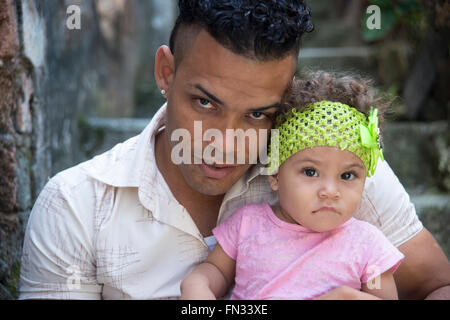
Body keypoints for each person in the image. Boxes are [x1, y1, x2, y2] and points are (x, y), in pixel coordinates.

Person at [19, 0, 449, 300]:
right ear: (166, 72)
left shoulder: (335, 169)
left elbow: (438, 286)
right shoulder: (76, 206)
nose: (225, 142)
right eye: (205, 103)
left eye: (259, 114)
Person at [180, 72, 405, 300]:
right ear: (275, 174)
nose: (330, 191)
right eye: (310, 172)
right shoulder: (247, 225)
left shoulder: (369, 246)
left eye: (347, 175)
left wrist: (352, 297)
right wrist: (198, 284)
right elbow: (216, 270)